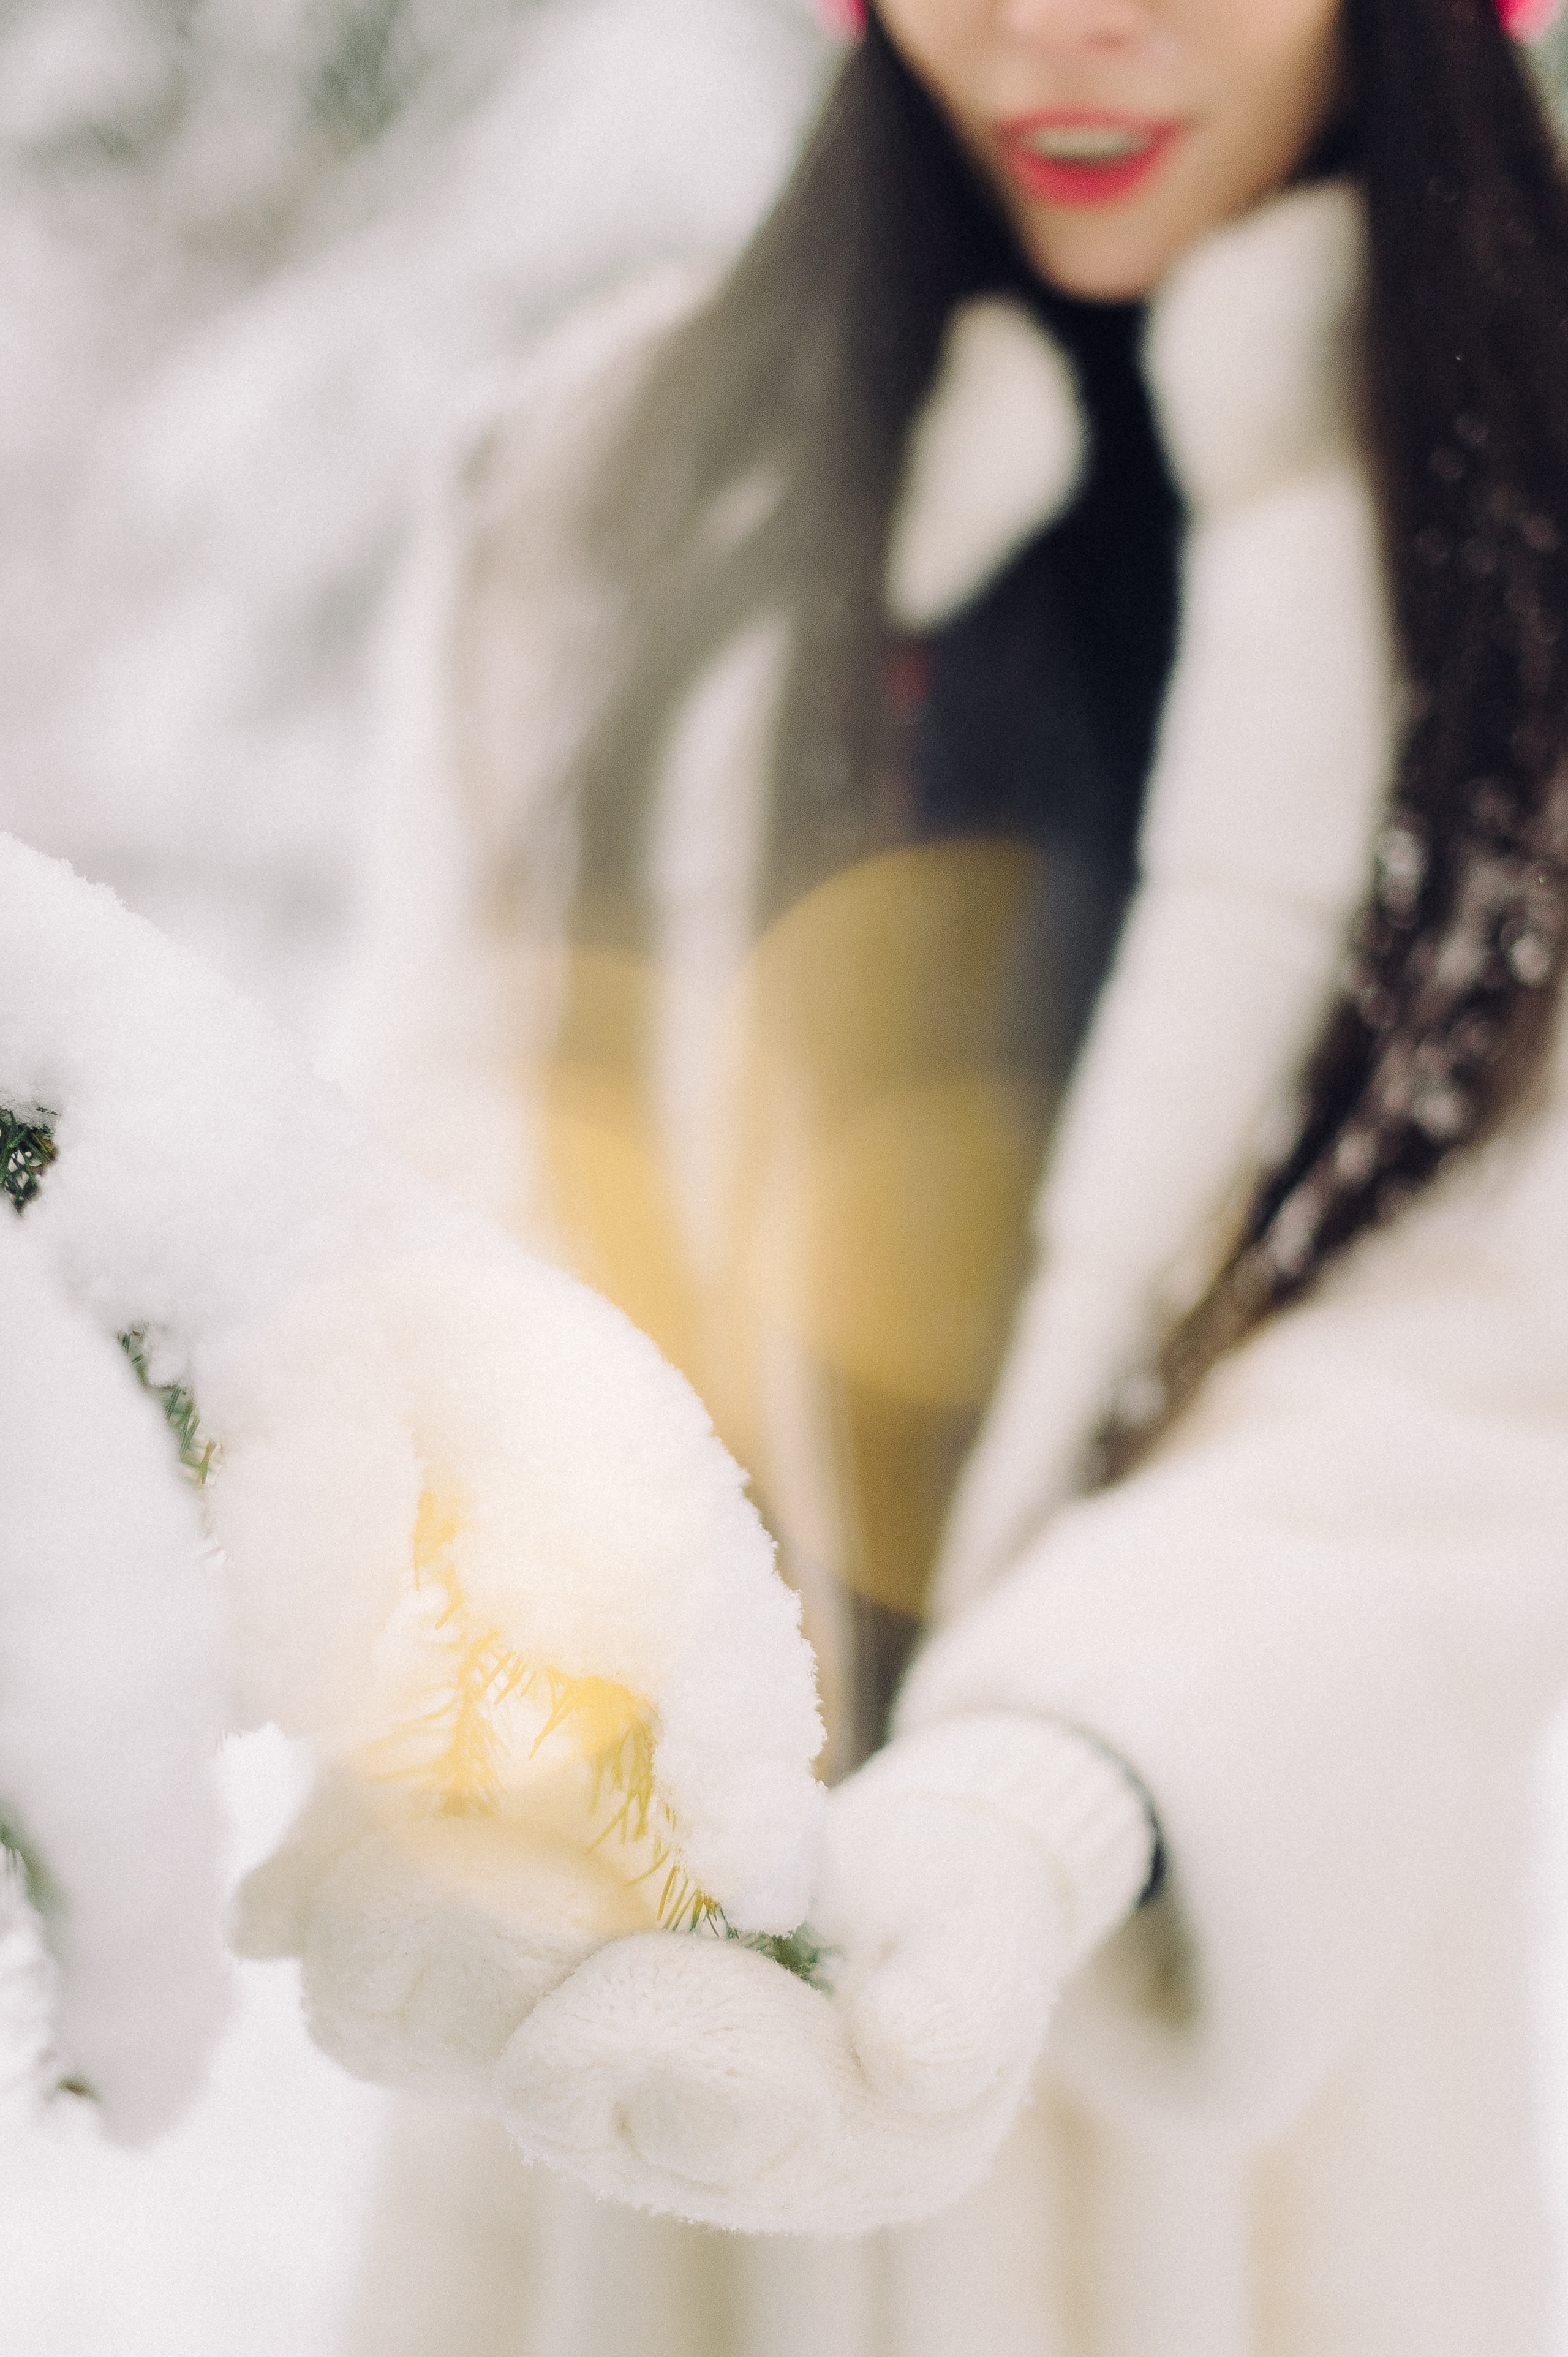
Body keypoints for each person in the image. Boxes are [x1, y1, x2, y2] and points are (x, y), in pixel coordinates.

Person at [312, 0, 1568, 2350]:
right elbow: (457, 1155)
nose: (1057, 29)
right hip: (614, 2090)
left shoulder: (1531, 521)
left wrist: (1056, 1799)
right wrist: (496, 1698)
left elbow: (1509, 1339)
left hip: (1240, 2121)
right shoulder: (609, 476)